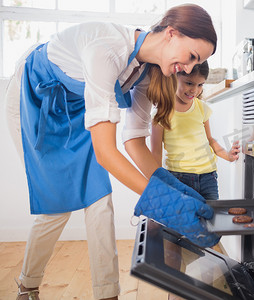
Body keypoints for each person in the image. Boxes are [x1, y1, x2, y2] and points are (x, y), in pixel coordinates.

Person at [5, 4, 219, 300]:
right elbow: (107, 153)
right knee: (57, 209)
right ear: (172, 34)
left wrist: (176, 190)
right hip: (35, 99)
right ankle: (27, 287)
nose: (189, 68)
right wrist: (165, 203)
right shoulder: (106, 50)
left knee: (99, 200)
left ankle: (107, 294)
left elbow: (133, 142)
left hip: (78, 107)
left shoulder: (148, 73)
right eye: (192, 57)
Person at [150, 60, 240, 201]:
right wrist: (157, 181)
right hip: (178, 177)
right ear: (174, 77)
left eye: (200, 85)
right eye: (189, 83)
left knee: (211, 219)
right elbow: (156, 151)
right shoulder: (161, 112)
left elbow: (209, 140)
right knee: (183, 220)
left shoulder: (201, 107)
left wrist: (228, 156)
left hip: (208, 176)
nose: (195, 90)